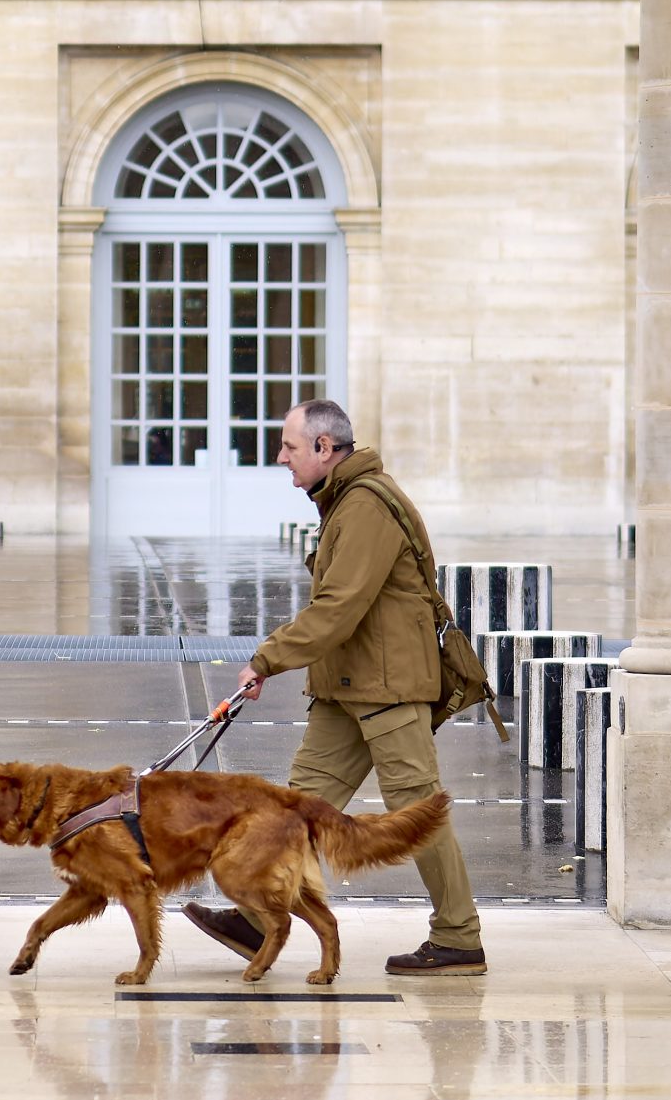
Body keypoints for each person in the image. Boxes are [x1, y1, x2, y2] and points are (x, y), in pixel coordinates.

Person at [181, 399, 485, 977]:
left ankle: (458, 937)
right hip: (349, 687)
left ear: (325, 448)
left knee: (415, 813)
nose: (281, 458)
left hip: (389, 690)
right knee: (291, 811)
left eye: (290, 447)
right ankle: (253, 921)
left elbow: (338, 608)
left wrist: (267, 660)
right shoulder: (343, 500)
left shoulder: (366, 504)